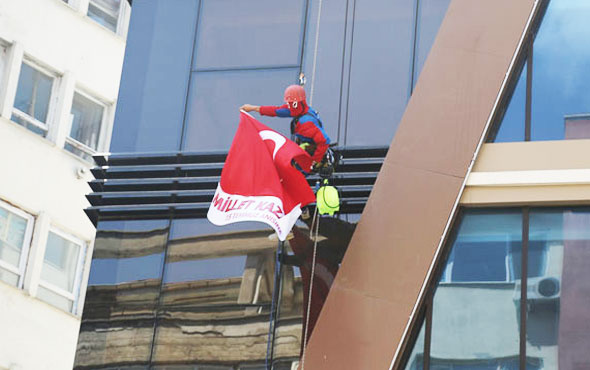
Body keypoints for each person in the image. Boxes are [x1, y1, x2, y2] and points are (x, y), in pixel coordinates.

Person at [240, 85, 331, 171]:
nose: (288, 105)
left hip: (311, 154)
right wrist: (253, 108)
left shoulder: (307, 122)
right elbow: (276, 111)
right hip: (307, 149)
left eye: (289, 103)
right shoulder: (302, 110)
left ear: (295, 103)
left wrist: (315, 161)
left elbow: (324, 140)